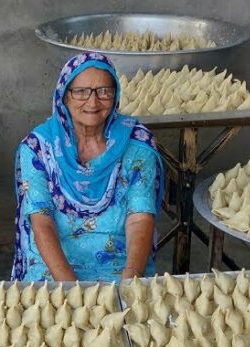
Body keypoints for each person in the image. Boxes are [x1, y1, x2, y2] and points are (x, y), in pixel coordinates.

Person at [12, 52, 164, 282]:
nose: (92, 102)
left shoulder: (137, 145)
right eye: (81, 92)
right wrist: (71, 289)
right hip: (53, 267)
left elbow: (139, 218)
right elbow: (42, 222)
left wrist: (131, 279)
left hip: (119, 264)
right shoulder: (38, 149)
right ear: (64, 96)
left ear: (116, 95)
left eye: (104, 91)